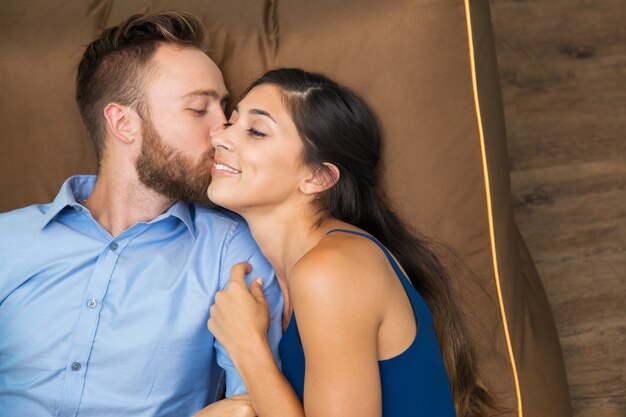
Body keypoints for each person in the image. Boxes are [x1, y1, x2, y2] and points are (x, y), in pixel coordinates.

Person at [0, 11, 283, 417]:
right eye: (199, 109)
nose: (224, 132)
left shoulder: (233, 254)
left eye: (225, 109)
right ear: (123, 123)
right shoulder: (7, 240)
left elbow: (253, 405)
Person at [205, 68, 496, 417]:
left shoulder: (332, 271)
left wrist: (248, 347)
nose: (220, 138)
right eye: (231, 122)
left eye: (255, 131)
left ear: (317, 177)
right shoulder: (291, 269)